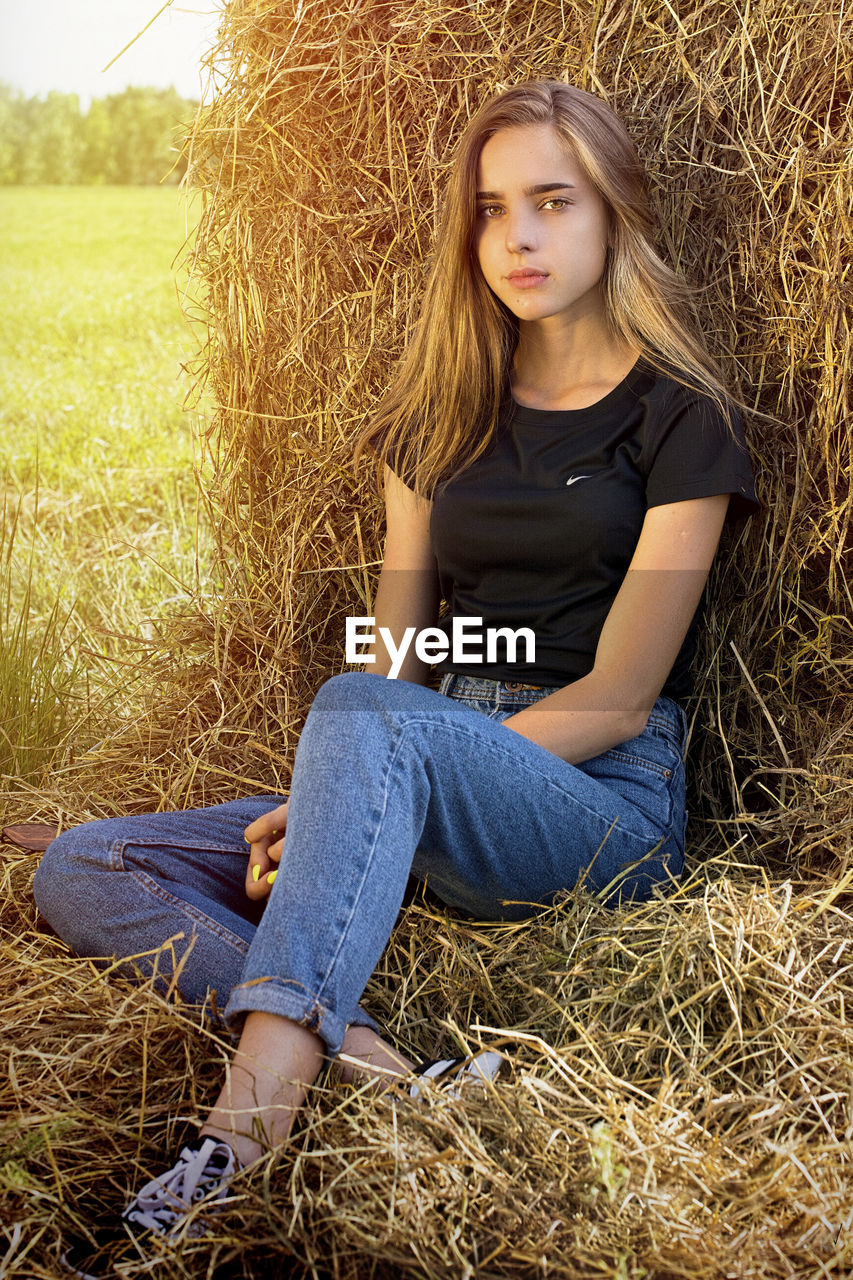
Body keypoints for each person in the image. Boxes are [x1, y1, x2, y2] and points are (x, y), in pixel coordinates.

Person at [34, 79, 757, 1271]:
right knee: (91, 861)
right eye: (490, 210)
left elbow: (624, 690)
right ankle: (391, 1072)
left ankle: (244, 1124)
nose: (516, 236)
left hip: (596, 802)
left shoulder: (678, 423)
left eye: (551, 202)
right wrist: (342, 793)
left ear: (613, 212)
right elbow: (397, 650)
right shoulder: (435, 420)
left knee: (366, 715)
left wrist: (376, 767)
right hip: (409, 754)